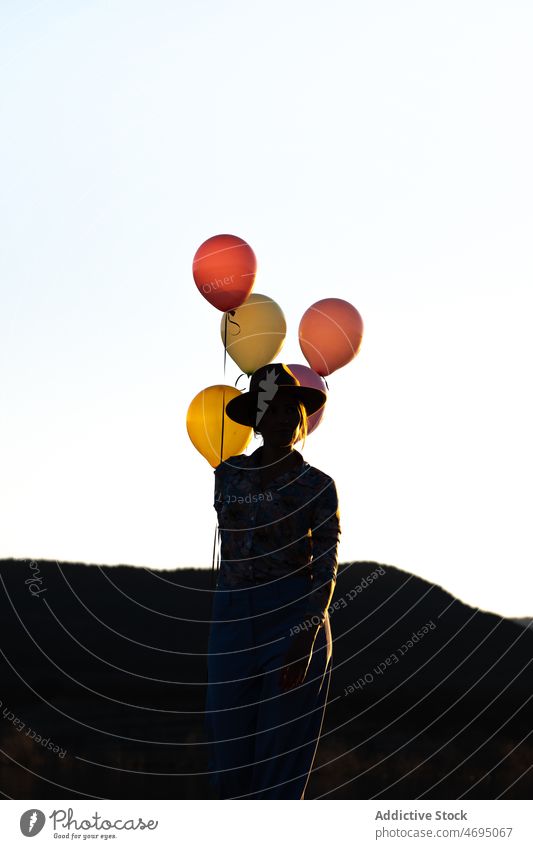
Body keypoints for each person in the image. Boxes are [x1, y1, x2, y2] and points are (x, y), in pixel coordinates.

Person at [204, 363, 341, 799]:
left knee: (280, 759)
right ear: (258, 419)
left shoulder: (318, 485)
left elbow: (326, 565)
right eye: (274, 410)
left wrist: (306, 635)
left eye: (292, 411)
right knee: (227, 749)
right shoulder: (227, 474)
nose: (284, 418)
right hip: (230, 619)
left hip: (292, 617)